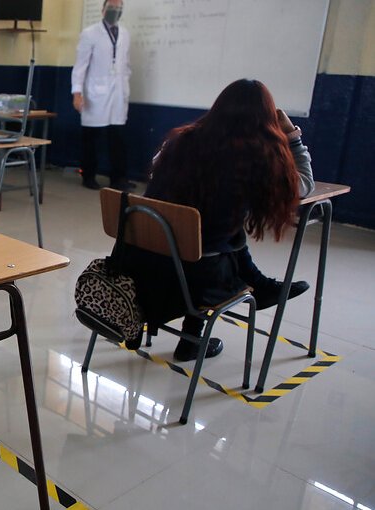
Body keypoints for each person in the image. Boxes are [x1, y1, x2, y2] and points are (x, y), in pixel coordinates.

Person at [122, 79, 313, 362]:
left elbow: (155, 172)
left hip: (144, 260)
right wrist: (293, 137)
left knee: (220, 232)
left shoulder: (181, 139)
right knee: (215, 240)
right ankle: (249, 295)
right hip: (199, 276)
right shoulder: (256, 157)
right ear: (265, 119)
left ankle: (260, 286)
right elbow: (304, 185)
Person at [71, 0, 133, 191]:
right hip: (95, 94)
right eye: (112, 8)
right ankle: (88, 175)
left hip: (118, 94)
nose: (115, 12)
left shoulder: (125, 34)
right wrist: (77, 92)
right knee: (92, 137)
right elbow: (80, 66)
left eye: (119, 9)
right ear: (103, 10)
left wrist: (124, 85)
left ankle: (118, 178)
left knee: (118, 138)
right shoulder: (90, 33)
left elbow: (126, 64)